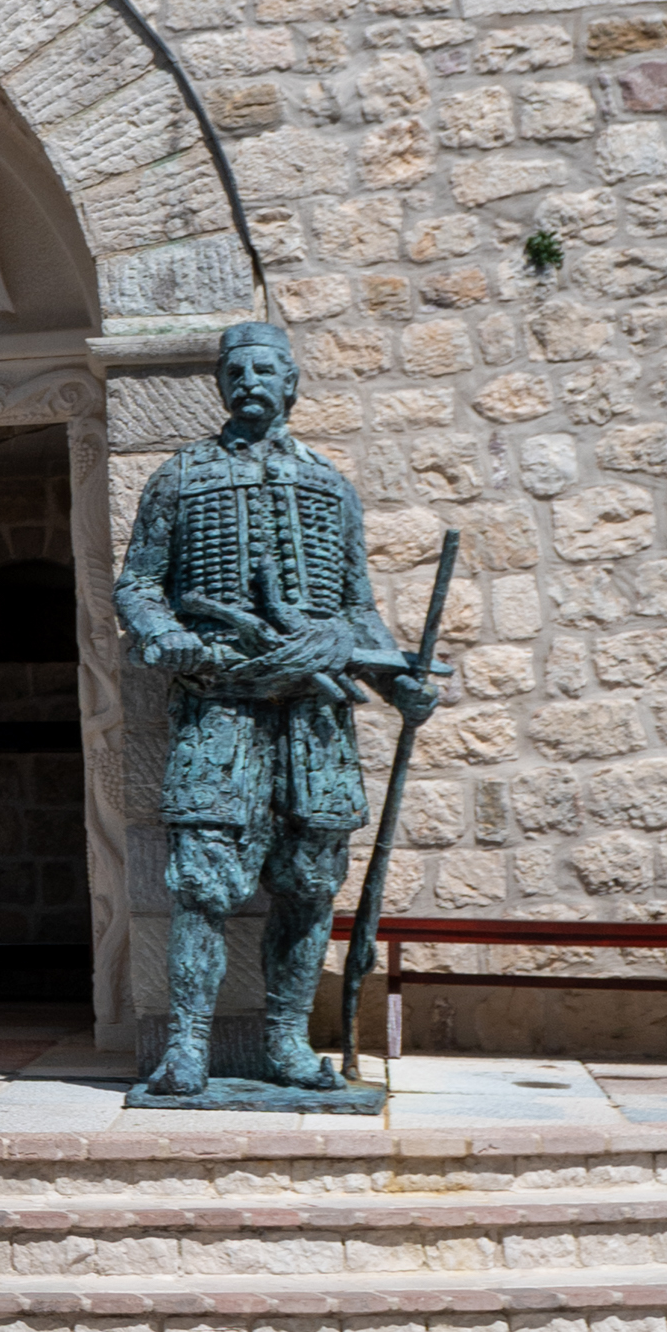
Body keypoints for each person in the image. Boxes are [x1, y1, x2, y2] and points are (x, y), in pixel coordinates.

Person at [114, 320, 442, 1095]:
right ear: (221, 385)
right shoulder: (180, 477)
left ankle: (287, 1044)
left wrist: (400, 684)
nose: (249, 381)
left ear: (291, 382)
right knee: (202, 883)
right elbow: (138, 583)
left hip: (314, 717)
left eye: (265, 369)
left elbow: (358, 609)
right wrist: (164, 636)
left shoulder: (330, 485)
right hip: (219, 704)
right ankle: (187, 1046)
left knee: (308, 882)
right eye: (236, 371)